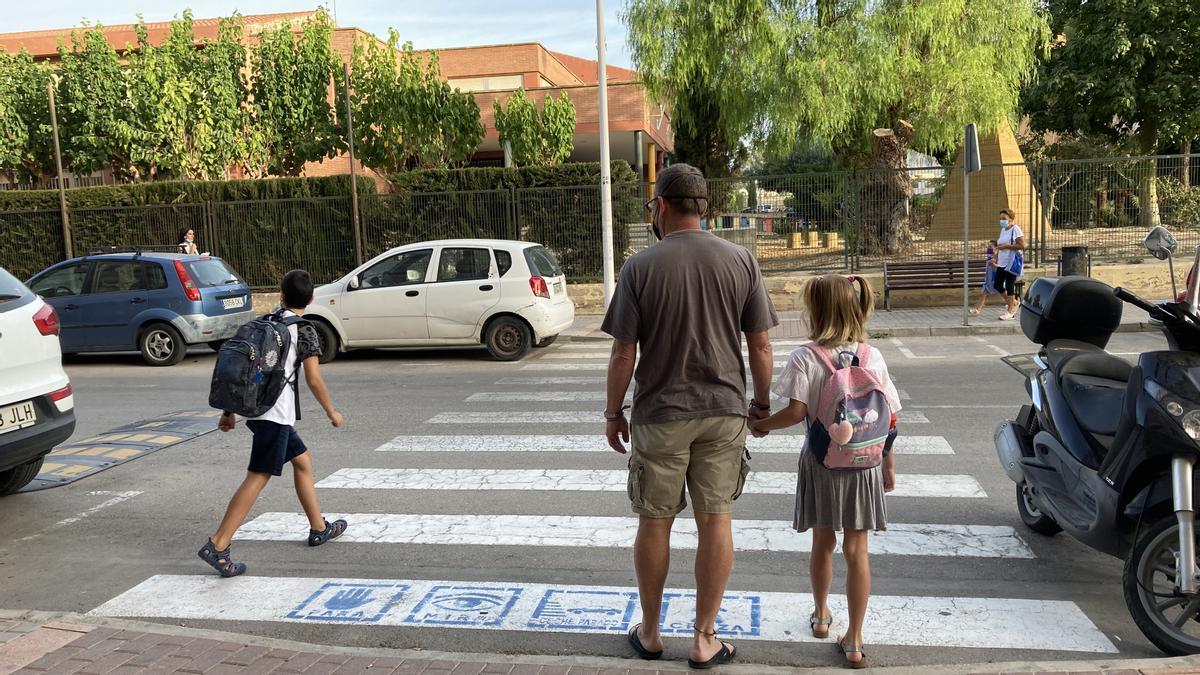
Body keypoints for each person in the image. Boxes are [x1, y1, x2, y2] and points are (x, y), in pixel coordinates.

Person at [602, 163, 779, 670]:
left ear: (660, 206)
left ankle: (653, 633)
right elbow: (762, 345)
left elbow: (622, 355)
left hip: (660, 414)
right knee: (715, 518)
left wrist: (614, 413)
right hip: (723, 413)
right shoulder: (741, 260)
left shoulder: (639, 268)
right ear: (706, 208)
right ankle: (705, 638)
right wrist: (761, 407)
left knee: (655, 522)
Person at [749, 274, 901, 669]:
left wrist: (760, 425)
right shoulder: (873, 356)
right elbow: (890, 416)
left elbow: (796, 412)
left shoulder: (806, 356)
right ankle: (854, 639)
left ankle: (820, 615)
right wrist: (887, 461)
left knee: (823, 543)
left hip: (821, 462)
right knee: (857, 549)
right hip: (864, 463)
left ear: (815, 311)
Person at [197, 269, 347, 578]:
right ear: (312, 298)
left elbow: (242, 367)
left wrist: (229, 410)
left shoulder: (267, 322)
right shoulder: (303, 330)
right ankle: (218, 543)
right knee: (258, 476)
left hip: (259, 409)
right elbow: (314, 379)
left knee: (302, 461)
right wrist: (331, 411)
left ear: (280, 294)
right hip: (275, 415)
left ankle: (318, 527)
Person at [994, 208, 1025, 321]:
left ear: (1011, 219)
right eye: (1000, 218)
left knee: (1009, 285)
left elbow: (1022, 245)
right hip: (1002, 263)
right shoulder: (1003, 230)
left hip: (1011, 263)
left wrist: (1006, 246)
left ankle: (1010, 311)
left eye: (1004, 218)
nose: (1001, 220)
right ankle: (1014, 303)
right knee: (997, 285)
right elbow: (1002, 244)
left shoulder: (1015, 229)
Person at [969, 239, 1000, 316]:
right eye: (988, 246)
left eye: (990, 246)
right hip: (989, 279)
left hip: (997, 278)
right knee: (984, 293)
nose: (988, 248)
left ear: (996, 248)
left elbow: (1002, 267)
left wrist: (994, 265)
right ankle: (977, 309)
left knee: (1004, 293)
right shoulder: (990, 255)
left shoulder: (999, 256)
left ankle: (1015, 303)